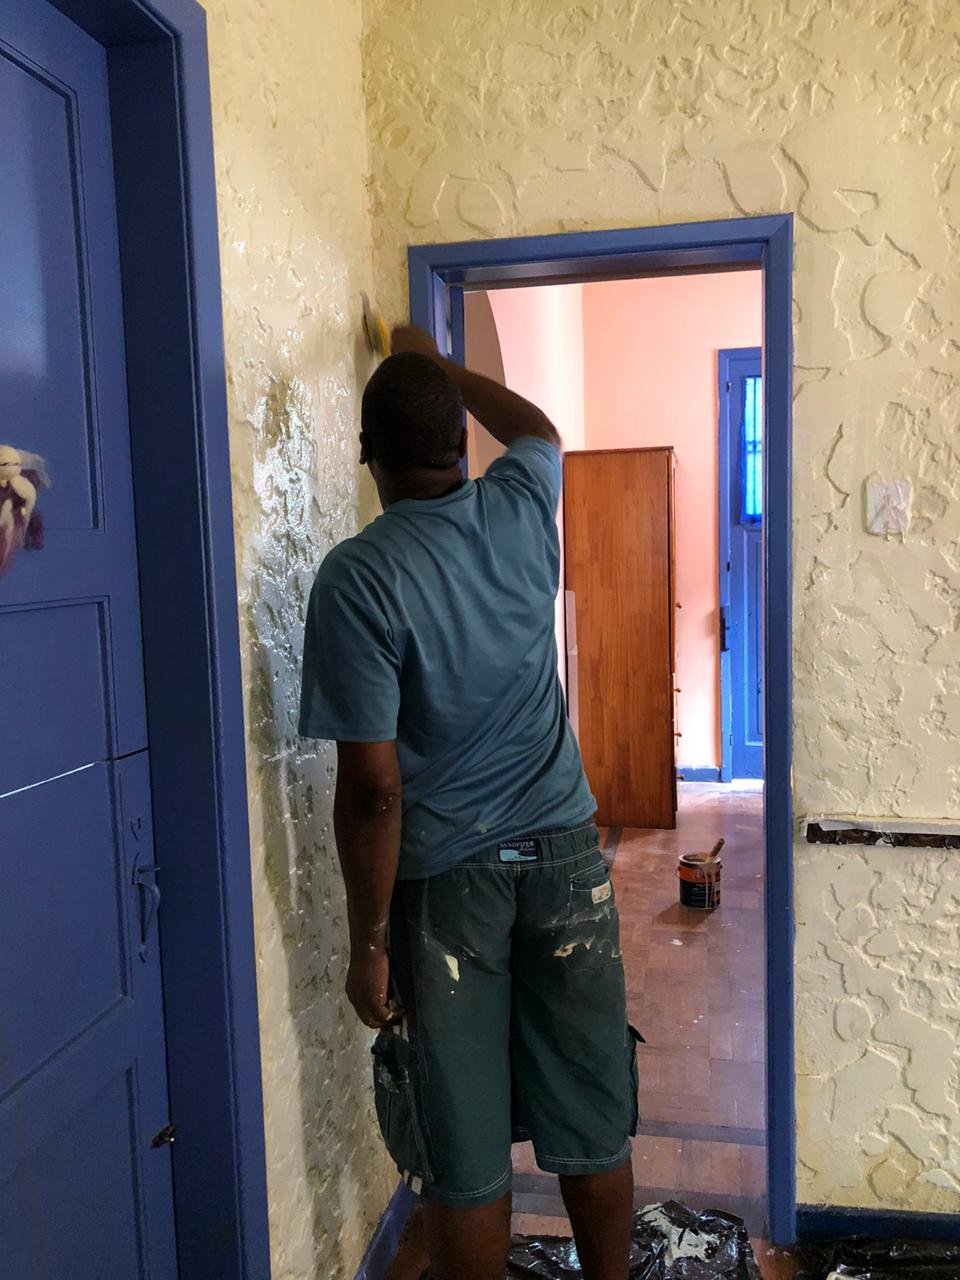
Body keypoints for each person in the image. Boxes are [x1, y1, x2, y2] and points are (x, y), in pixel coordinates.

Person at [299, 326, 639, 1280]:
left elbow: (374, 791)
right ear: (459, 443)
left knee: (465, 1149)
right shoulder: (523, 504)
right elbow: (537, 430)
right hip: (567, 861)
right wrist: (443, 367)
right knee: (593, 1117)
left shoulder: (360, 576)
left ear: (365, 454)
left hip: (449, 888)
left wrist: (368, 944)